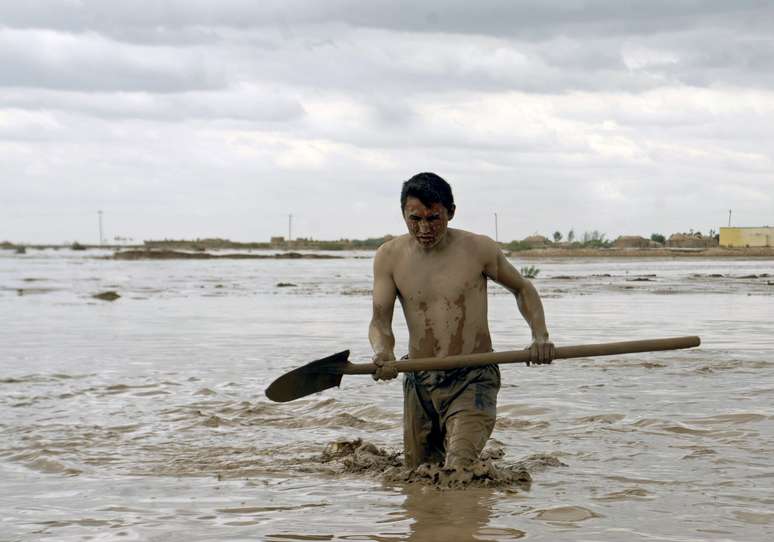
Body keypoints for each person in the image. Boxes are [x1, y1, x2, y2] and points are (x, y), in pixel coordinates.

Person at [369, 172, 555, 470]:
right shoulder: (388, 257)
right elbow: (380, 322)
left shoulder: (478, 249)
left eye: (434, 218)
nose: (424, 228)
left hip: (474, 376)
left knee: (458, 472)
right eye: (414, 218)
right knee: (419, 476)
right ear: (403, 213)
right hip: (419, 379)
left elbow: (522, 289)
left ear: (451, 212)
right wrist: (382, 352)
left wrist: (540, 337)